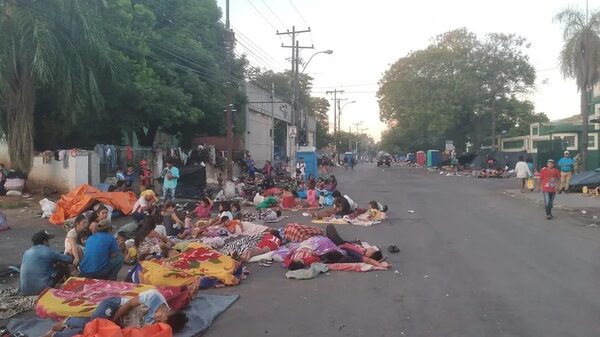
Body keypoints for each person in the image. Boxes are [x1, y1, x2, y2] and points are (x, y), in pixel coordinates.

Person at [45, 288, 191, 337]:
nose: (157, 319)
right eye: (161, 318)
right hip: (115, 305)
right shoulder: (154, 296)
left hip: (119, 323)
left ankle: (61, 330)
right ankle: (67, 323)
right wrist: (111, 322)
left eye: (160, 322)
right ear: (168, 311)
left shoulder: (156, 323)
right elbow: (127, 305)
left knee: (95, 332)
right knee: (94, 325)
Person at [20, 231, 73, 296]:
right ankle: (68, 285)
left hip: (25, 290)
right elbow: (69, 259)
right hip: (42, 289)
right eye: (48, 240)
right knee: (62, 265)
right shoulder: (48, 252)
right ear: (45, 241)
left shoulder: (27, 252)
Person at [324, 224, 390, 269]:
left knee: (330, 227)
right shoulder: (362, 249)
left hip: (339, 245)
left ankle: (327, 241)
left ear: (369, 254)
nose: (371, 248)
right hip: (343, 243)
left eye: (372, 250)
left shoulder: (359, 255)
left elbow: (368, 260)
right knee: (329, 228)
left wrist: (380, 265)